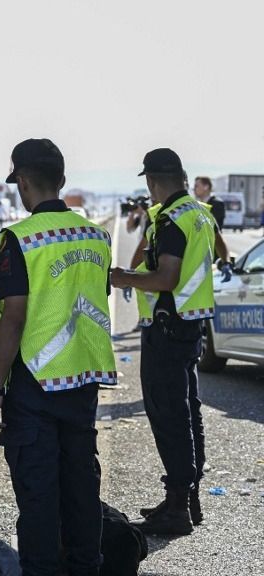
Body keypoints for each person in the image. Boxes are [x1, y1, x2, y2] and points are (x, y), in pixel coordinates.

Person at [0, 138, 115, 576]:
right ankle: (86, 567)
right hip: (83, 381)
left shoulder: (17, 239)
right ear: (62, 180)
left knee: (39, 498)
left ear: (21, 181)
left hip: (35, 386)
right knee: (81, 488)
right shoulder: (98, 237)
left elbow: (14, 318)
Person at [109, 149, 218, 536]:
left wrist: (125, 278)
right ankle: (188, 500)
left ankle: (177, 509)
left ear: (152, 181)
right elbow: (215, 257)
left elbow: (167, 277)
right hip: (191, 326)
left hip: (168, 328)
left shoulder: (171, 219)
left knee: (169, 415)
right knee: (188, 412)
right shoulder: (200, 213)